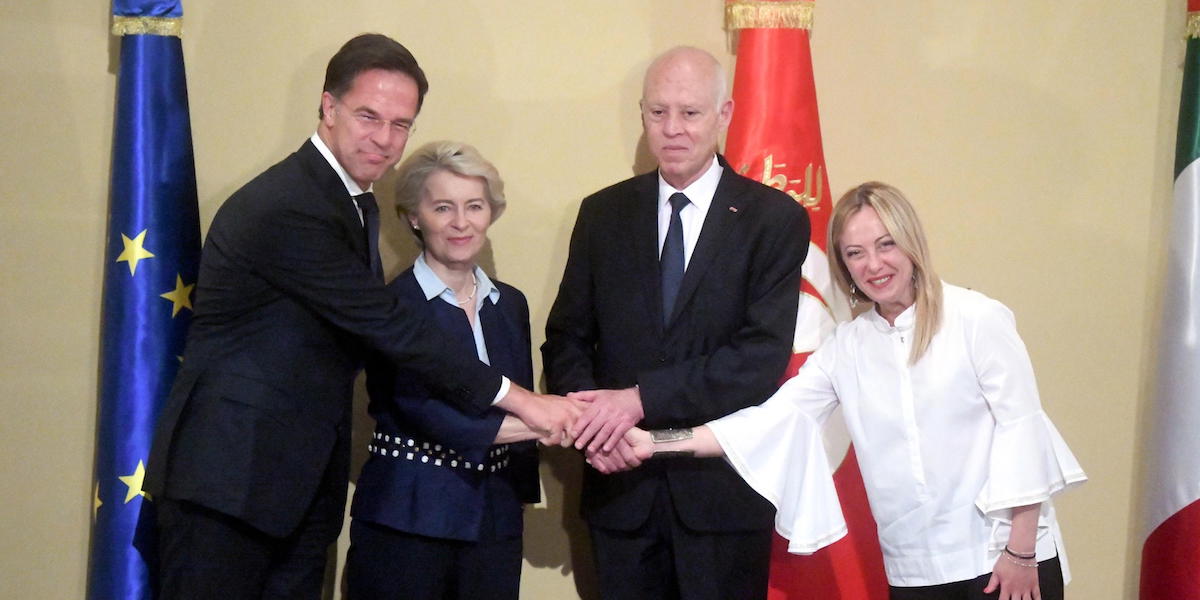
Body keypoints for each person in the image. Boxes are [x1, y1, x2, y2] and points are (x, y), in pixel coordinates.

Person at [143, 35, 574, 600]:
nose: (384, 138)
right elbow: (390, 327)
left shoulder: (352, 202)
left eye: (401, 124)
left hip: (294, 491)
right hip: (227, 486)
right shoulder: (289, 204)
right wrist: (525, 401)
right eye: (368, 116)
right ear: (328, 107)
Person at [604, 182, 1088, 600]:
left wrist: (1021, 551)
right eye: (855, 253)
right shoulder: (846, 347)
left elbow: (1022, 431)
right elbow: (769, 422)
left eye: (885, 245)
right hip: (914, 569)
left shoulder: (977, 318)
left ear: (911, 243)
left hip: (1002, 558)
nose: (873, 265)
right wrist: (653, 442)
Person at [541, 46, 811, 599]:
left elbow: (758, 359)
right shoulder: (602, 214)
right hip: (619, 491)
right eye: (658, 112)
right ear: (642, 114)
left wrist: (638, 400)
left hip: (722, 502)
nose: (672, 129)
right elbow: (566, 338)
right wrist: (597, 427)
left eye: (690, 113)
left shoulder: (774, 220)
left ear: (724, 114)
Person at [344, 141, 542, 599]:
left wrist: (519, 495)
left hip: (494, 522)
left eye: (474, 206)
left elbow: (521, 400)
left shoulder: (510, 304)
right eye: (443, 207)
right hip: (408, 520)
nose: (460, 223)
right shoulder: (391, 308)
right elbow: (428, 414)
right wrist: (555, 422)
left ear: (491, 213)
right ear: (415, 217)